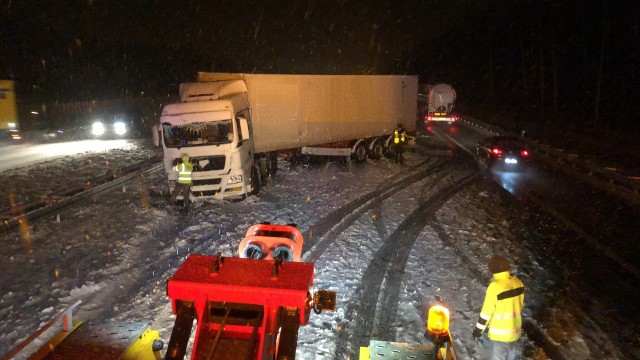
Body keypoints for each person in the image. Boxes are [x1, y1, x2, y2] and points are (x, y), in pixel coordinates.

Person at [473, 255, 525, 360]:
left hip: (500, 335)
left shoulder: (495, 287)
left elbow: (486, 313)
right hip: (515, 332)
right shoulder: (518, 283)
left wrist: (478, 331)